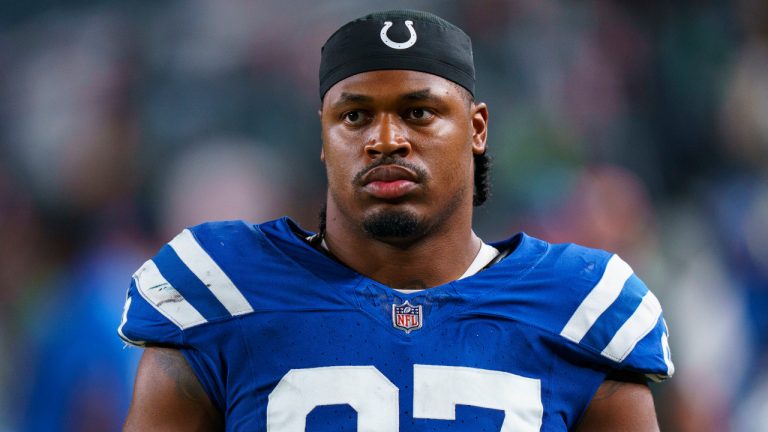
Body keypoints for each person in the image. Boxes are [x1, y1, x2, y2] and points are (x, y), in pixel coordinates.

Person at [118, 10, 674, 431]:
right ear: (323, 132)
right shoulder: (219, 291)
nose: (386, 140)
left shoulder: (582, 307)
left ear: (477, 128)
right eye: (355, 115)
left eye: (418, 112)